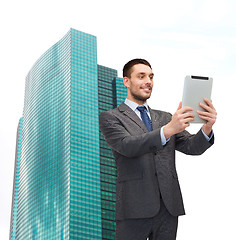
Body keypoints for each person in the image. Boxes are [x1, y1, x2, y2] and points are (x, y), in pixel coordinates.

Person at [99, 58, 217, 240]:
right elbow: (127, 146)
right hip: (134, 208)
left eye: (151, 77)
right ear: (126, 81)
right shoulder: (111, 117)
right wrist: (169, 129)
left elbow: (192, 147)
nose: (148, 81)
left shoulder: (165, 117)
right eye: (141, 76)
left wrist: (207, 127)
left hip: (169, 208)